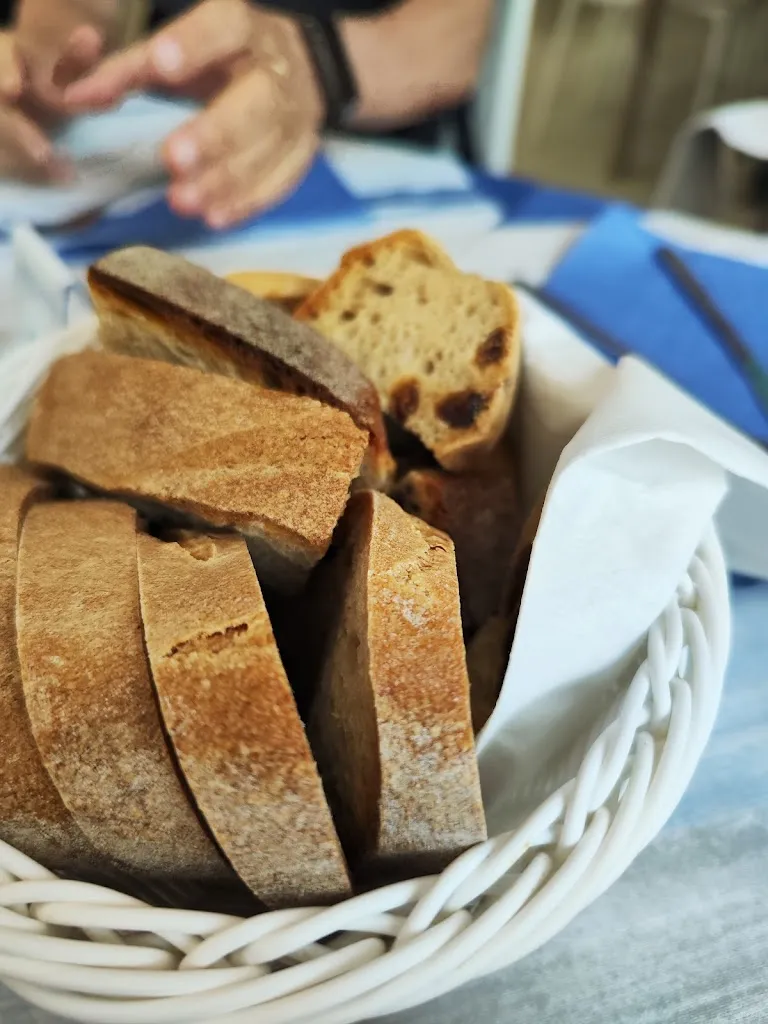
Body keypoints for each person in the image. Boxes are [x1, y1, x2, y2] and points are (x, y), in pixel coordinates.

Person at [0, 0, 494, 226]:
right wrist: (32, 70)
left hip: (383, 156)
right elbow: (71, 20)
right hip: (178, 149)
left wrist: (314, 66)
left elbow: (453, 38)